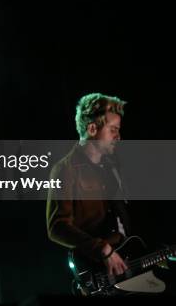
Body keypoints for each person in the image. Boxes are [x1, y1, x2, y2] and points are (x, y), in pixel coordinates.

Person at [46, 93, 130, 277]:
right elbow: (57, 227)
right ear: (92, 129)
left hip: (127, 260)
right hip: (99, 270)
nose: (118, 137)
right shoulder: (65, 169)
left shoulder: (112, 168)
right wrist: (102, 249)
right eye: (113, 130)